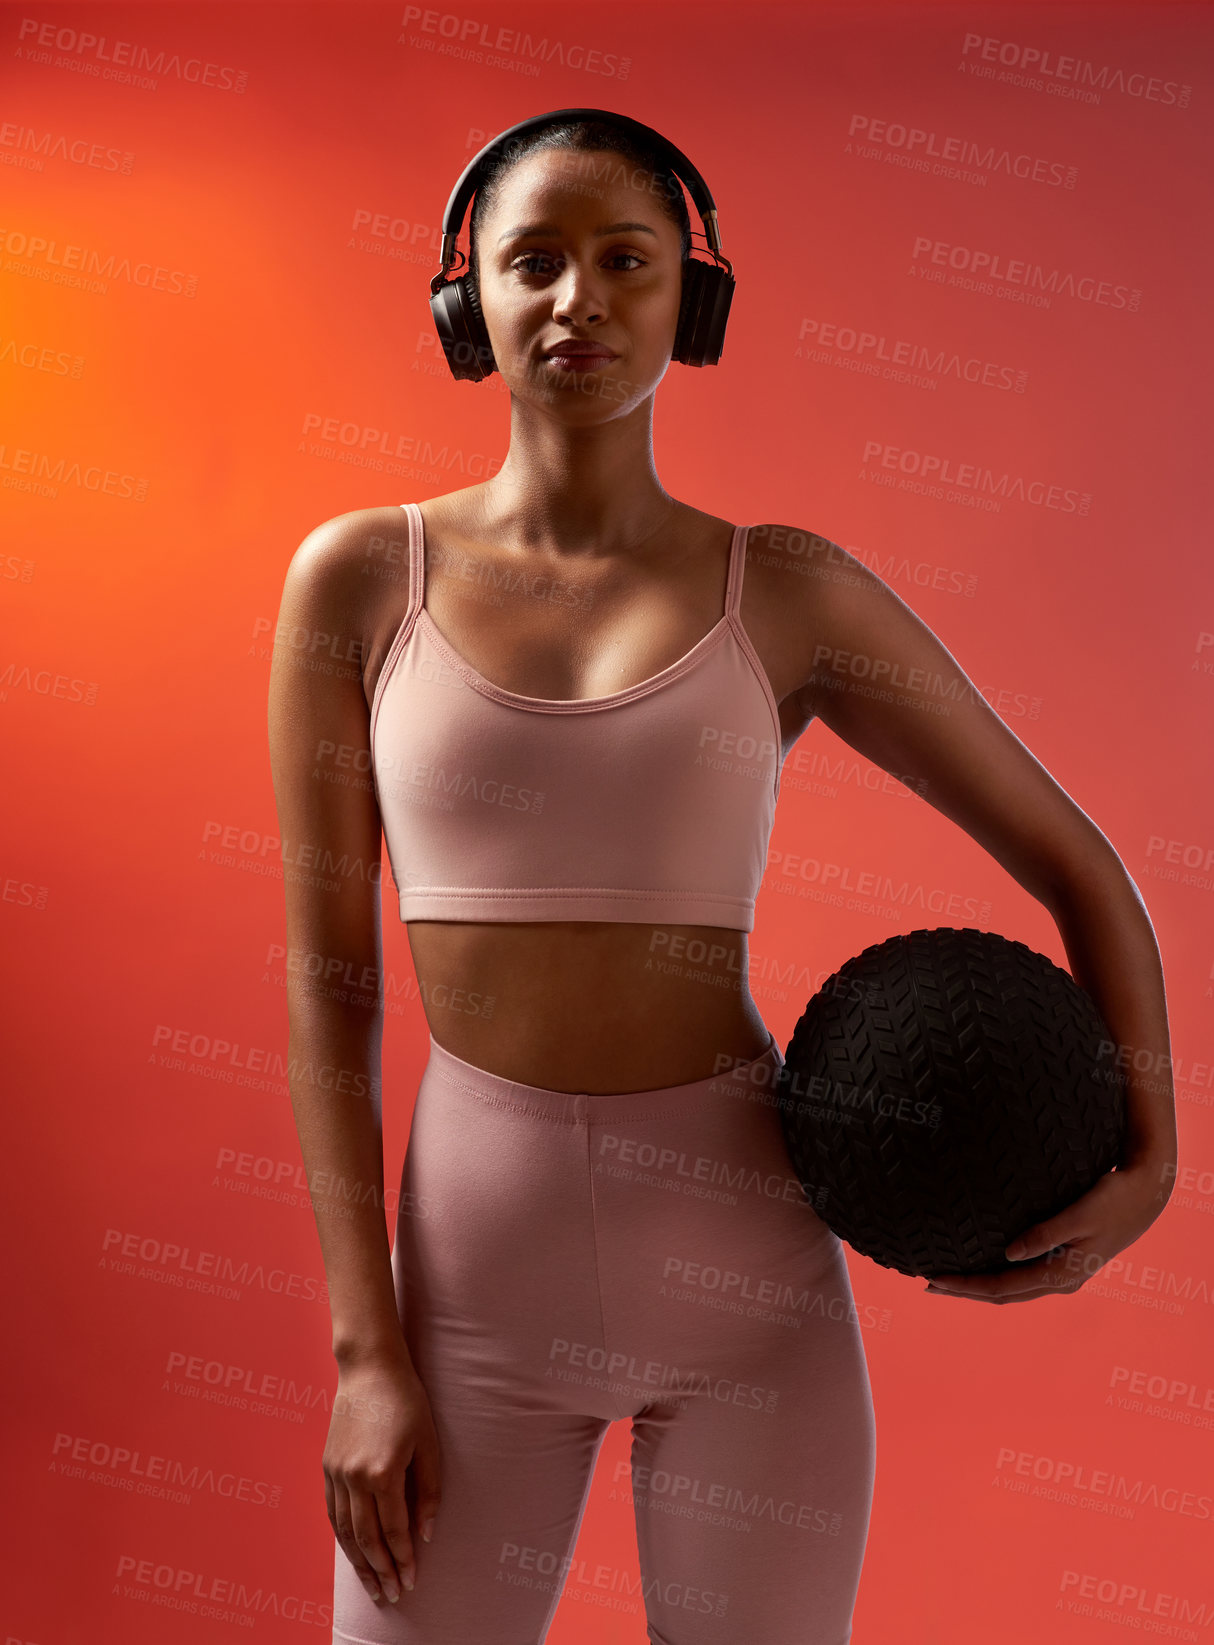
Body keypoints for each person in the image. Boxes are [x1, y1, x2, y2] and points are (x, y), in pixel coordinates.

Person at [267, 113, 1177, 1645]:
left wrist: (1150, 1156)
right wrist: (367, 1349)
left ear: (690, 301)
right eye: (530, 262)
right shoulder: (361, 580)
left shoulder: (789, 589)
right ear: (462, 301)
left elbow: (1081, 869)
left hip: (749, 1282)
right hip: (471, 1288)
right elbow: (327, 984)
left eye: (626, 261)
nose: (577, 302)